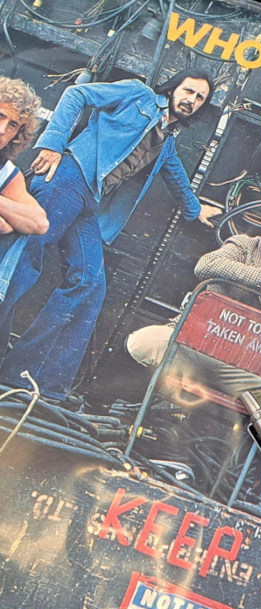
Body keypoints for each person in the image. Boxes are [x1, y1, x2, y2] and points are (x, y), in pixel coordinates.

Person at [0, 70, 222, 402]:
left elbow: (176, 176)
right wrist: (53, 144)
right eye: (188, 91)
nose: (191, 100)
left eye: (199, 98)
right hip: (67, 178)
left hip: (88, 200)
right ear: (173, 88)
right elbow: (78, 94)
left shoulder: (166, 141)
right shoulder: (139, 95)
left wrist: (195, 209)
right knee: (18, 267)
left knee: (90, 283)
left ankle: (36, 381)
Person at [127, 222, 261, 510]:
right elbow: (207, 265)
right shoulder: (245, 246)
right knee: (141, 342)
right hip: (193, 348)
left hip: (242, 369)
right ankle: (144, 437)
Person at [0, 77, 48, 302]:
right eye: (1, 116)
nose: (2, 130)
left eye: (12, 125)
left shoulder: (6, 171)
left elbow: (39, 223)